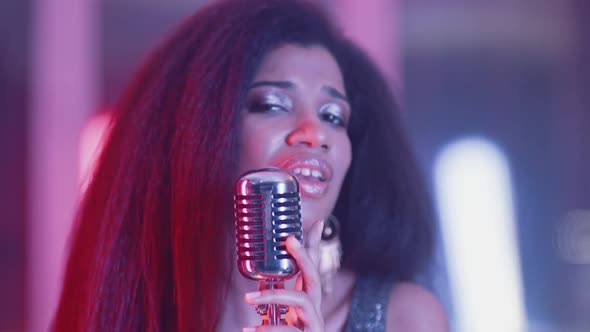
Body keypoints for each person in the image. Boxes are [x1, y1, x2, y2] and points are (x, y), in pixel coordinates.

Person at [51, 0, 448, 331]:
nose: (314, 134)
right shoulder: (131, 314)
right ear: (197, 132)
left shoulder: (404, 317)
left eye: (333, 116)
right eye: (272, 105)